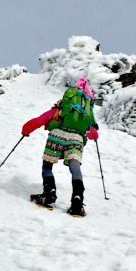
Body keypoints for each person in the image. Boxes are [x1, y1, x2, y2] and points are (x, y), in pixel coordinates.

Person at [21, 77, 99, 216]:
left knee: (47, 166)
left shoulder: (58, 110)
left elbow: (38, 121)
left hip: (57, 136)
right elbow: (93, 134)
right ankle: (77, 202)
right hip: (76, 139)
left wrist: (25, 131)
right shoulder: (86, 114)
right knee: (75, 168)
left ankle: (49, 195)